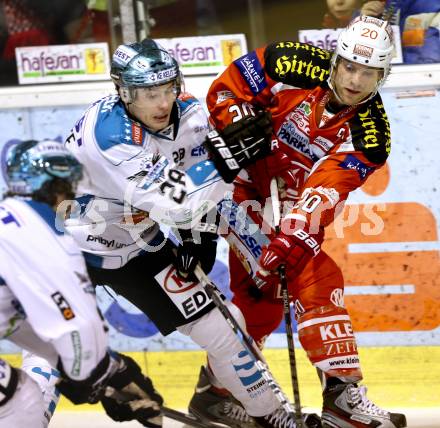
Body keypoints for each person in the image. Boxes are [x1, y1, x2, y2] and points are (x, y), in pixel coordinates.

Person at [63, 38, 321, 428]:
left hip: (136, 243)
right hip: (69, 250)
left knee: (225, 324)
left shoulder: (190, 114)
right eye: (148, 93)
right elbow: (177, 201)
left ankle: (271, 416)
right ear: (123, 92)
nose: (162, 103)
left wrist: (198, 238)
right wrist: (228, 157)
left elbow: (197, 193)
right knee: (49, 357)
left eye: (167, 88)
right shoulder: (110, 137)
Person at [193, 15, 408, 428]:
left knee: (262, 305)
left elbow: (324, 191)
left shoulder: (371, 135)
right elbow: (226, 88)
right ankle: (343, 398)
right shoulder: (289, 62)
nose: (355, 80)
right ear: (335, 60)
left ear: (383, 75)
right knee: (315, 274)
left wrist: (292, 236)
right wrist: (237, 120)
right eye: (349, 66)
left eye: (369, 72)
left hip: (285, 210)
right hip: (233, 189)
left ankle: (215, 393)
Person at [0, 139, 165, 427]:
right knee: (22, 398)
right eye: (66, 184)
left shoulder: (11, 219)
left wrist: (107, 371)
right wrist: (99, 374)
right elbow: (77, 324)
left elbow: (13, 320)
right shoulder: (39, 234)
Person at [361, 0, 440, 63]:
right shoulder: (387, 4)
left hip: (409, 76)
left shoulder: (427, 7)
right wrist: (364, 22)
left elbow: (424, 65)